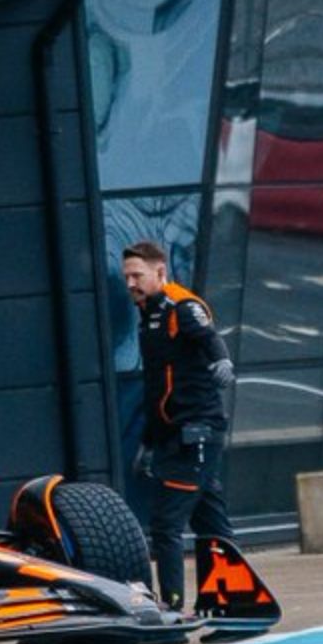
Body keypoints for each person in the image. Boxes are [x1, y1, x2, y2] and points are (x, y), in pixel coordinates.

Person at [122, 240, 237, 613]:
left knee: (166, 524)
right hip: (173, 435)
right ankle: (233, 605)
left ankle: (172, 611)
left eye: (137, 275)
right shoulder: (148, 315)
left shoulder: (181, 306)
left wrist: (222, 362)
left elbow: (209, 338)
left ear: (160, 271)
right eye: (127, 277)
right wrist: (148, 442)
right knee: (211, 523)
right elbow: (157, 387)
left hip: (196, 433)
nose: (130, 284)